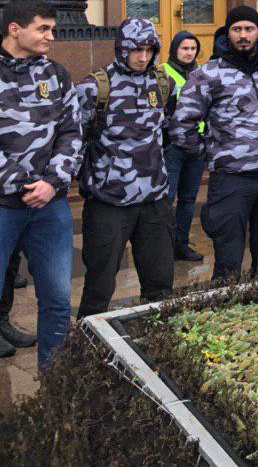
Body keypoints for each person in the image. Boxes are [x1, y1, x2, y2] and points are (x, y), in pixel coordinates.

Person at [170, 6, 258, 281]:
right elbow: (182, 124)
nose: (243, 35)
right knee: (229, 261)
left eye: (249, 29)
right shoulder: (209, 74)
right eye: (237, 29)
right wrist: (211, 153)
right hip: (232, 181)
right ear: (228, 33)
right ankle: (225, 314)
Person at [75, 18, 176, 319]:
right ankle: (87, 347)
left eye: (149, 50)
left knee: (159, 285)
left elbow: (167, 131)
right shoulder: (94, 88)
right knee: (99, 286)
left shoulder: (163, 83)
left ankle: (157, 341)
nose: (143, 57)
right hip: (109, 203)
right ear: (121, 48)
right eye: (136, 50)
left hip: (154, 202)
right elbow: (76, 141)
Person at [0, 1, 81, 366]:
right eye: (43, 29)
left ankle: (55, 383)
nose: (51, 36)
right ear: (15, 29)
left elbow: (72, 133)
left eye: (53, 29)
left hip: (51, 206)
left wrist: (51, 183)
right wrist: (21, 184)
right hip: (4, 207)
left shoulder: (58, 75)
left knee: (58, 300)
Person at [162, 30, 205, 261]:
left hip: (197, 147)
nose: (189, 53)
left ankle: (181, 244)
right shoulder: (162, 73)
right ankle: (163, 246)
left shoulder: (202, 73)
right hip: (172, 148)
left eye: (192, 48)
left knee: (188, 199)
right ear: (174, 50)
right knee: (167, 198)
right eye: (184, 48)